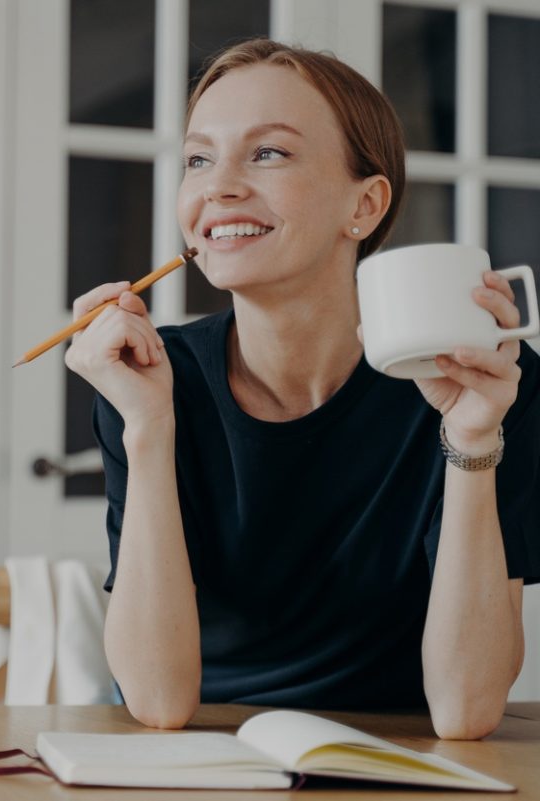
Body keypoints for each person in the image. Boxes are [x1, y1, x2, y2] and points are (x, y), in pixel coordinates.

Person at [64, 38, 540, 739]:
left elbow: (467, 710)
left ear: (365, 204)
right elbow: (158, 702)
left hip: (399, 755)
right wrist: (147, 429)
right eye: (198, 159)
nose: (218, 187)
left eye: (268, 153)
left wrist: (471, 441)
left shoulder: (482, 382)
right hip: (209, 751)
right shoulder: (151, 380)